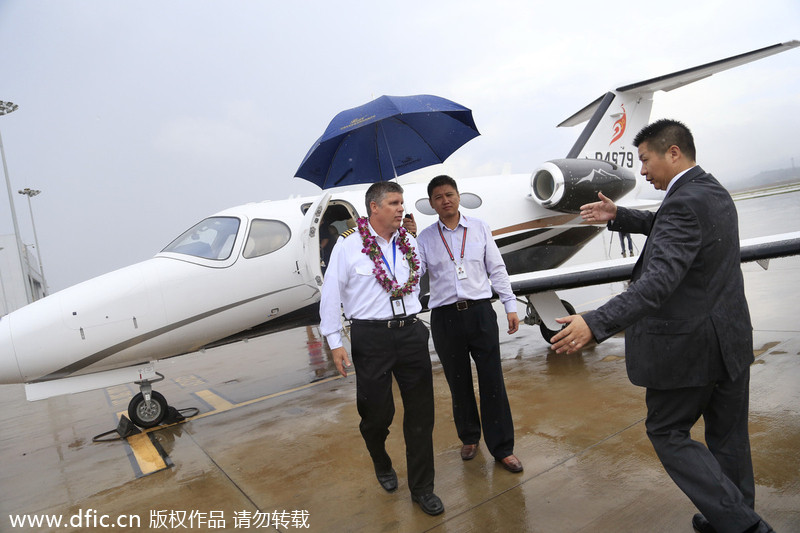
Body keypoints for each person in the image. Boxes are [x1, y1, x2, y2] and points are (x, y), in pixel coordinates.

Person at [551, 119, 772, 533]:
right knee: (728, 439)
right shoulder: (710, 190)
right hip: (730, 339)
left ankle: (744, 526)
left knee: (667, 430)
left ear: (673, 153)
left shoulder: (683, 202)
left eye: (645, 160)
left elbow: (657, 284)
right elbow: (672, 229)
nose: (643, 170)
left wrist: (595, 322)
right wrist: (620, 215)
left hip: (693, 348)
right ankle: (732, 515)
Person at [319, 181, 443, 516]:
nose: (401, 208)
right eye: (394, 202)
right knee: (377, 414)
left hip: (411, 333)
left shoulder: (409, 244)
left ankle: (422, 488)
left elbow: (425, 278)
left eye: (401, 202)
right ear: (374, 208)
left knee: (421, 416)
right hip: (370, 338)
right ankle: (379, 456)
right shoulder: (348, 246)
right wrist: (334, 342)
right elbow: (331, 294)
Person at [411, 175, 523, 474]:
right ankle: (469, 437)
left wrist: (510, 305)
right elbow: (413, 273)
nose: (445, 200)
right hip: (445, 317)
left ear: (458, 196)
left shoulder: (479, 228)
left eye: (449, 194)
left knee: (492, 381)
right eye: (438, 197)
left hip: (480, 312)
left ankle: (503, 448)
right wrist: (407, 241)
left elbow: (497, 269)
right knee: (457, 382)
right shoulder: (424, 238)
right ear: (431, 204)